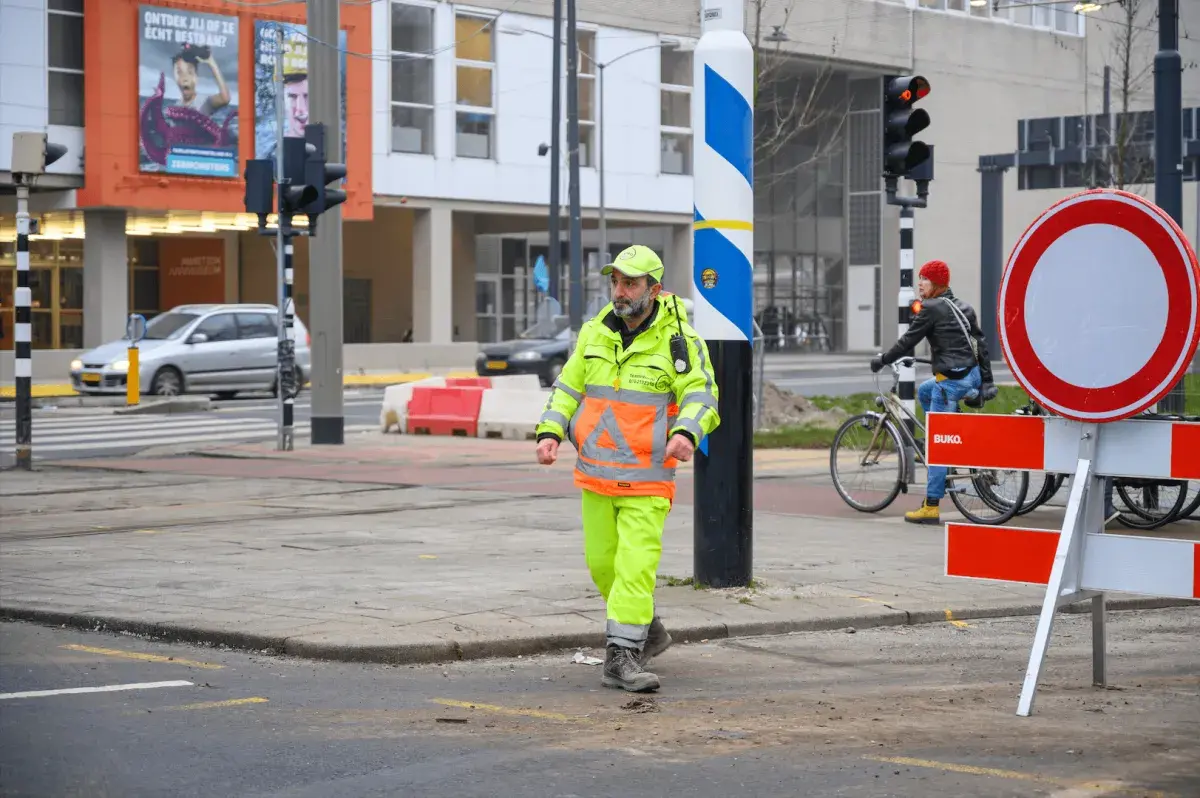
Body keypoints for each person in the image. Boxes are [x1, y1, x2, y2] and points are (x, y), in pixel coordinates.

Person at [535, 245, 720, 693]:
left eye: (631, 283)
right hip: (595, 472)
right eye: (616, 281)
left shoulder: (680, 341)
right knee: (604, 566)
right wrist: (549, 431)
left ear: (654, 289)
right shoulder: (594, 333)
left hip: (648, 476)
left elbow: (702, 394)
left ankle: (621, 657)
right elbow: (568, 386)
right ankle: (649, 631)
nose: (620, 291)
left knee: (635, 567)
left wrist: (687, 432)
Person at [870, 259, 997, 525]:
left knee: (939, 443)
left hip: (951, 383)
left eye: (924, 280)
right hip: (970, 376)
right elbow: (981, 344)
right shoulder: (963, 307)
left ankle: (931, 505)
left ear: (937, 283)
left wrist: (883, 358)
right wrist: (986, 382)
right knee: (925, 391)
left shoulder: (930, 308)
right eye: (920, 279)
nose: (920, 284)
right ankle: (948, 435)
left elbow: (907, 342)